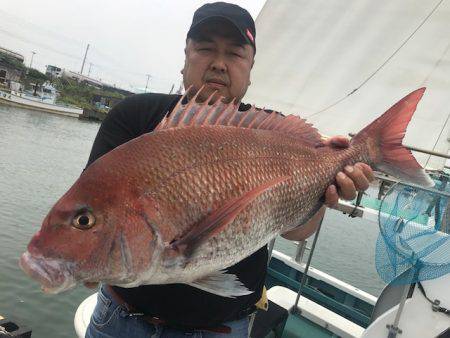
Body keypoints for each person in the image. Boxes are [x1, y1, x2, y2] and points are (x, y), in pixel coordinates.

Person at [85, 2, 373, 337]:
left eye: (235, 53)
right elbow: (91, 222)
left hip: (224, 330)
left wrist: (330, 183)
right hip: (123, 320)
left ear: (251, 68)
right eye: (205, 48)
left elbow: (295, 231)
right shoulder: (134, 117)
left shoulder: (275, 135)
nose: (219, 64)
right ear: (186, 56)